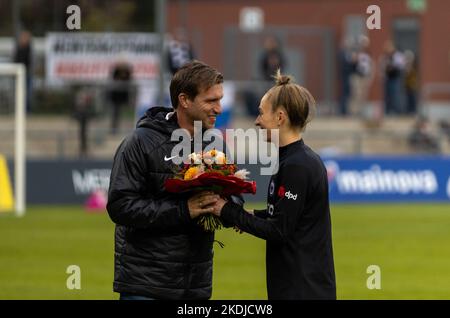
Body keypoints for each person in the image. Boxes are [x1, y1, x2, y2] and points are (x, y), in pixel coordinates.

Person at [107, 60, 242, 300]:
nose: (219, 108)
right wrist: (184, 209)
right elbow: (120, 206)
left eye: (220, 100)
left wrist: (223, 207)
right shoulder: (139, 143)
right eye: (211, 100)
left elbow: (235, 199)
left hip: (195, 284)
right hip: (146, 285)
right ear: (185, 100)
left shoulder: (216, 144)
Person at [208, 70, 336, 300]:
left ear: (280, 117)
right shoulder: (294, 159)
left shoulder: (298, 166)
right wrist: (250, 214)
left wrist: (225, 210)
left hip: (303, 289)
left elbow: (279, 230)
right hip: (298, 286)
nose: (257, 121)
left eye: (260, 114)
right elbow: (284, 214)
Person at [108, 60, 133, 135]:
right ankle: (114, 130)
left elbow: (129, 79)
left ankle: (128, 130)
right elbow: (113, 79)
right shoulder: (116, 71)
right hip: (116, 96)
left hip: (124, 96)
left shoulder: (127, 71)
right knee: (115, 114)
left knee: (127, 113)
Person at [381, 40, 405, 115]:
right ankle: (388, 111)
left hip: (395, 78)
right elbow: (383, 66)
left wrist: (392, 67)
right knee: (387, 96)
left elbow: (401, 66)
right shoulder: (385, 56)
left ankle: (397, 111)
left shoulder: (398, 55)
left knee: (396, 95)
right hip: (388, 78)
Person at [13, 30, 33, 113]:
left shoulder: (28, 48)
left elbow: (29, 61)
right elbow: (16, 59)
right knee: (18, 92)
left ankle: (27, 110)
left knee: (27, 93)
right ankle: (18, 109)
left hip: (26, 73)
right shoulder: (18, 48)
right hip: (18, 73)